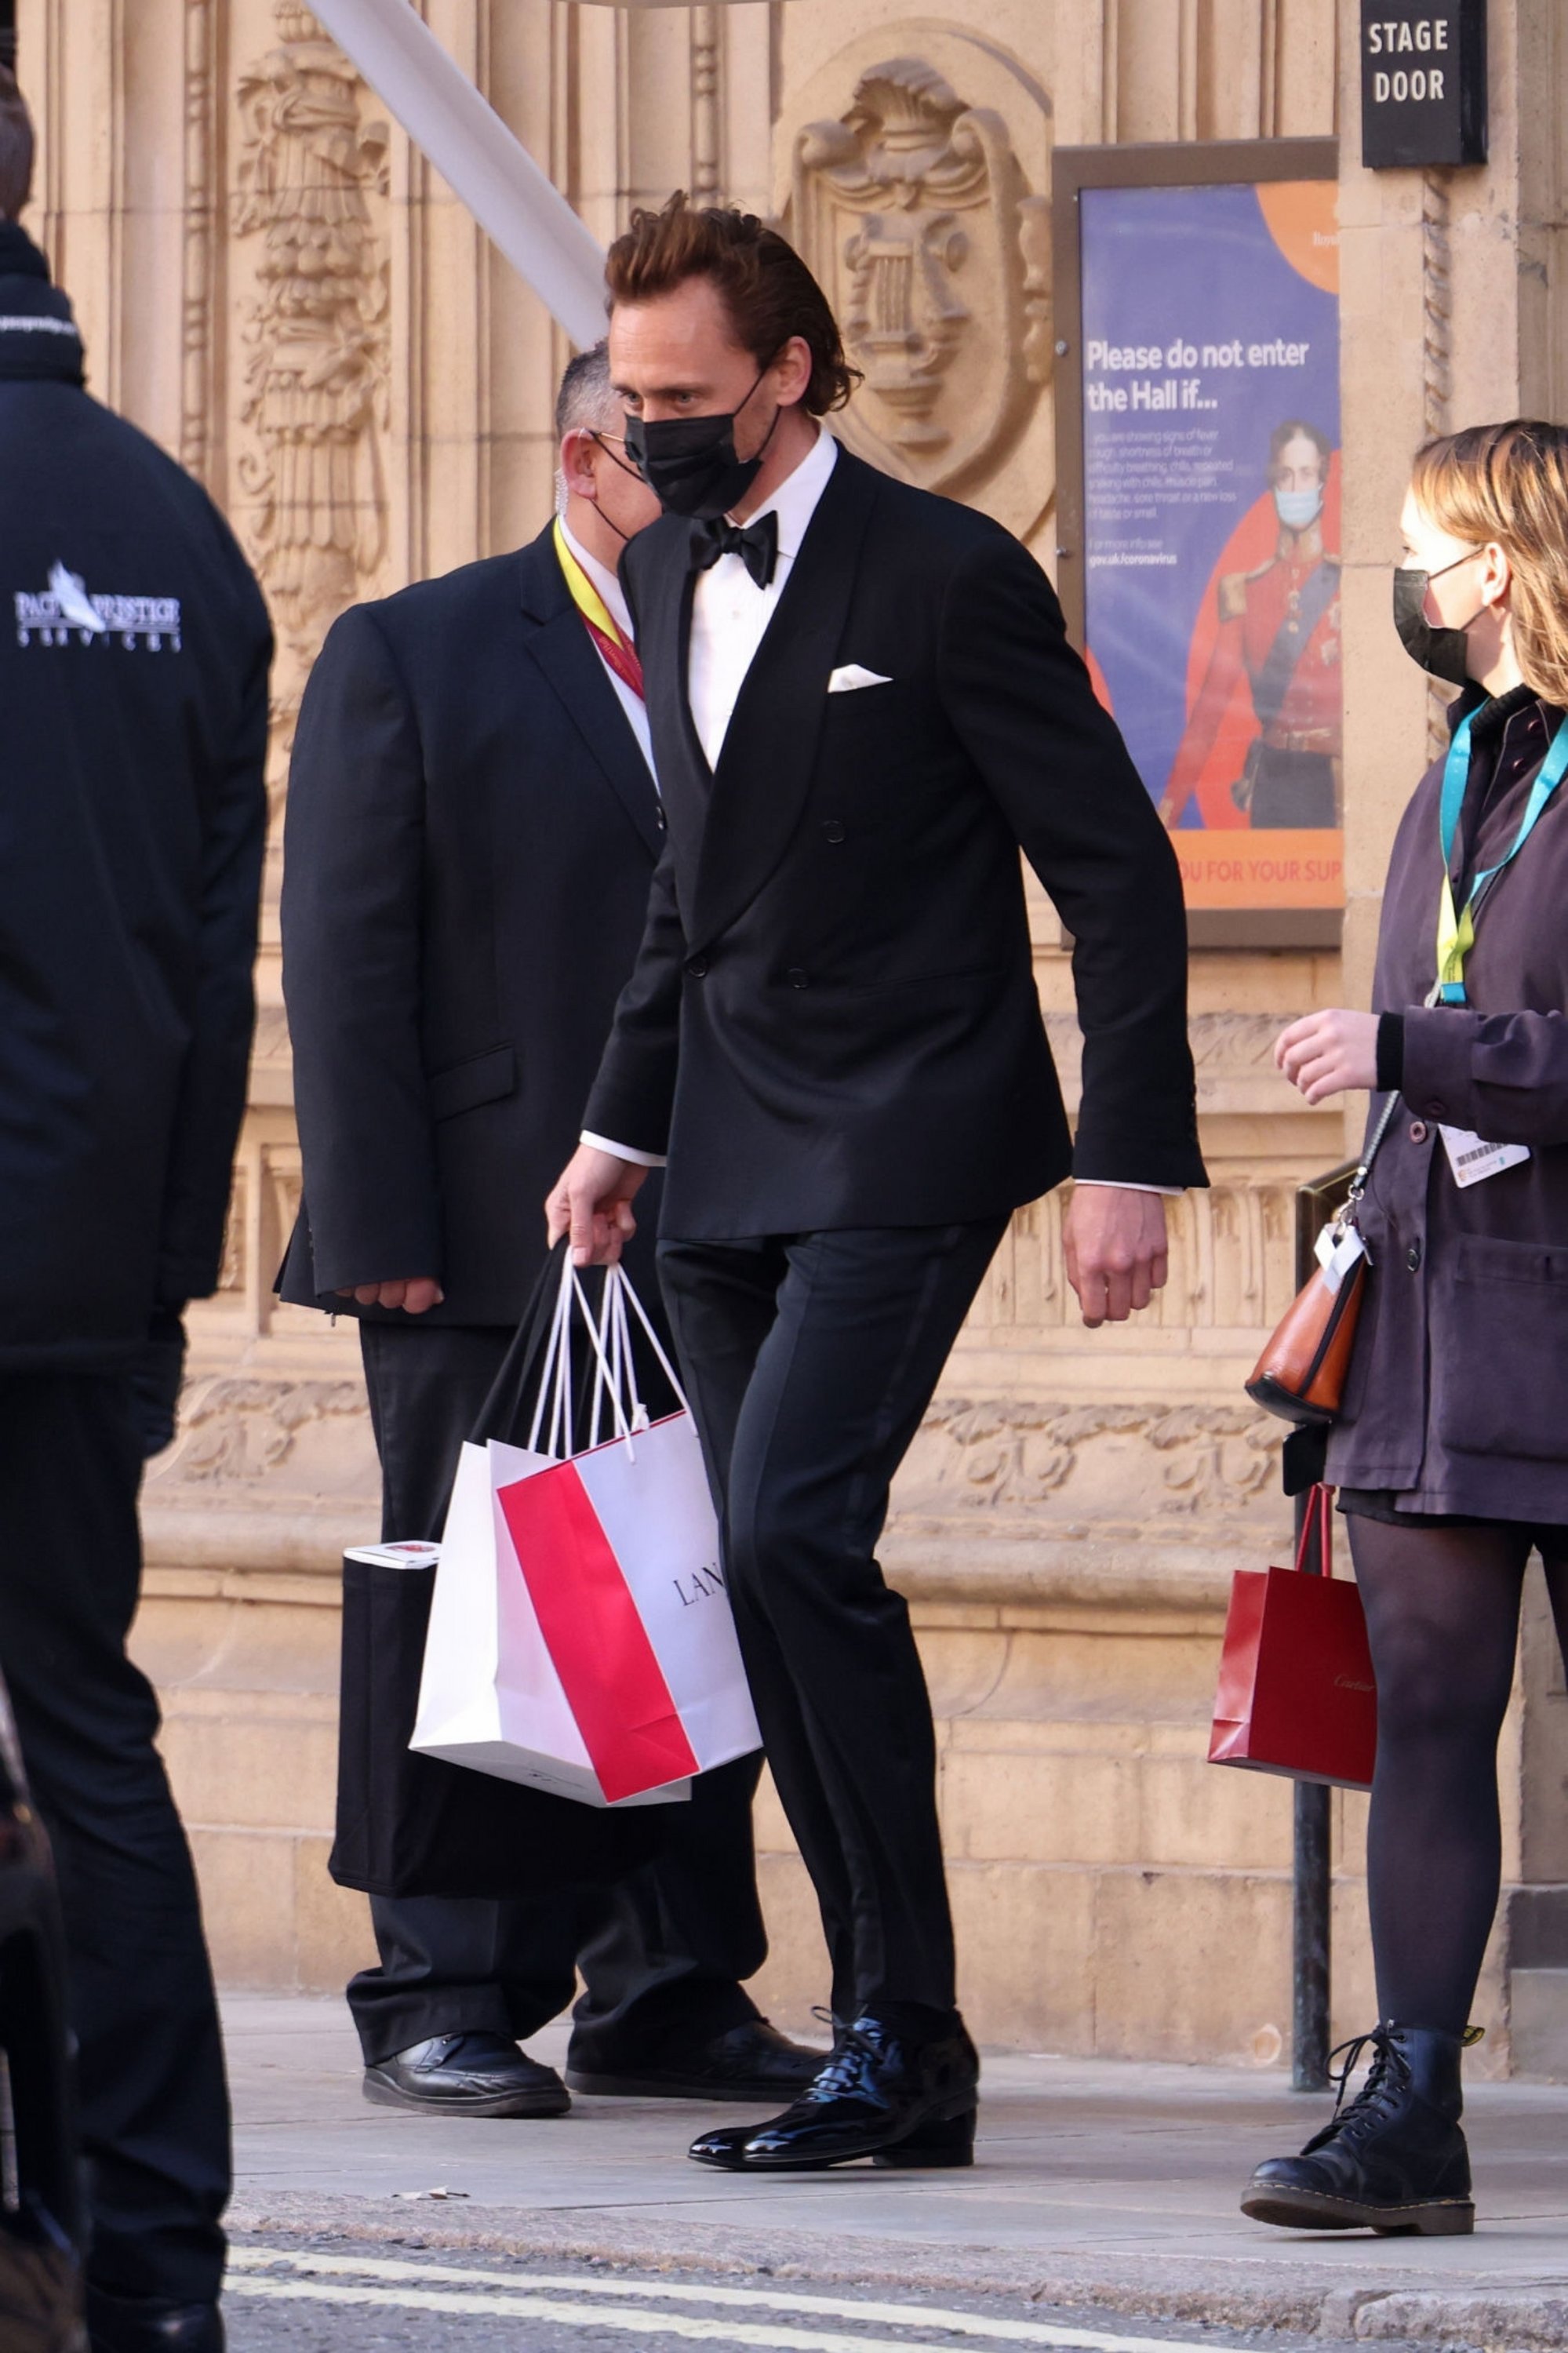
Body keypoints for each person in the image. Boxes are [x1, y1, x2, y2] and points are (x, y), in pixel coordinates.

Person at [549, 195, 1206, 2175]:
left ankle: (904, 2033)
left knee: (790, 1535)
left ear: (788, 375)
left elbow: (1116, 870)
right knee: (768, 1577)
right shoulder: (666, 565)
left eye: (684, 398)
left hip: (911, 1129)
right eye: (634, 397)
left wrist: (1125, 1151)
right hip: (722, 1151)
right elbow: (685, 892)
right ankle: (883, 2037)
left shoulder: (943, 575)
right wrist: (615, 1129)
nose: (650, 431)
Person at [279, 343, 817, 2122]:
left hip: (716, 1218)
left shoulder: (750, 644)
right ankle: (441, 1988)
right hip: (477, 1231)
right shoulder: (415, 649)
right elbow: (343, 952)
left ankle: (665, 1983)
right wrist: (375, 1224)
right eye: (676, 459)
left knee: (684, 1596)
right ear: (585, 458)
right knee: (476, 1613)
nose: (714, 495)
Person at [0, 67, 271, 2353]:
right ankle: (157, 2265)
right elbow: (207, 952)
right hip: (88, 1262)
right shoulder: (173, 526)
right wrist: (165, 1279)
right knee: (85, 1727)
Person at [1246, 419, 1568, 2238]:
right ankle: (1411, 2107)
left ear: (1497, 565)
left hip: (1553, 1304)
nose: (1400, 578)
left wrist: (1410, 1048)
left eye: (1417, 545)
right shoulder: (1456, 764)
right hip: (1429, 1314)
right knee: (1429, 1713)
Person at [1159, 419, 1341, 831]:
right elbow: (1208, 713)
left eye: (1306, 474)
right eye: (1286, 475)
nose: (1296, 486)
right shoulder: (1246, 591)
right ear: (1273, 484)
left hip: (1335, 786)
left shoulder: (1345, 584)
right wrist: (1168, 812)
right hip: (1272, 784)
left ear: (1322, 481)